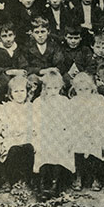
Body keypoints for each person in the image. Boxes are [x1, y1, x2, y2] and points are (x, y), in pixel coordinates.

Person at [32, 69, 74, 199]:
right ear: (44, 88)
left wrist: (66, 135)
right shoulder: (38, 102)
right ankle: (45, 184)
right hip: (44, 132)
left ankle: (56, 184)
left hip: (60, 133)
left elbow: (69, 121)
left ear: (60, 87)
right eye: (49, 88)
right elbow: (35, 122)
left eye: (56, 88)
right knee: (43, 150)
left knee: (59, 150)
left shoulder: (64, 101)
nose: (53, 91)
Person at [69, 72, 104, 192]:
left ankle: (96, 176)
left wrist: (92, 130)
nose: (84, 92)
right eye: (80, 90)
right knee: (76, 142)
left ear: (92, 88)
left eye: (86, 89)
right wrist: (80, 130)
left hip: (94, 129)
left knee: (95, 143)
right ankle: (78, 175)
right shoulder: (74, 102)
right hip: (79, 130)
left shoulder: (98, 100)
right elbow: (72, 120)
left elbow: (101, 118)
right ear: (75, 90)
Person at [0, 76, 35, 190]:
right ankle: (12, 179)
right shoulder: (7, 107)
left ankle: (26, 179)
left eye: (22, 91)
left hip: (27, 136)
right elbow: (4, 124)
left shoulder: (30, 107)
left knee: (28, 148)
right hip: (12, 136)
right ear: (10, 94)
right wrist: (12, 131)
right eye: (16, 91)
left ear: (27, 92)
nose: (19, 94)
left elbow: (34, 123)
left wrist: (27, 131)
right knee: (14, 150)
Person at [0, 20, 28, 99]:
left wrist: (21, 71)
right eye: (4, 36)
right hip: (2, 77)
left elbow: (24, 64)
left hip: (18, 76)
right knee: (5, 80)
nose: (8, 39)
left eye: (10, 35)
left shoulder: (18, 47)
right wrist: (11, 71)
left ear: (14, 35)